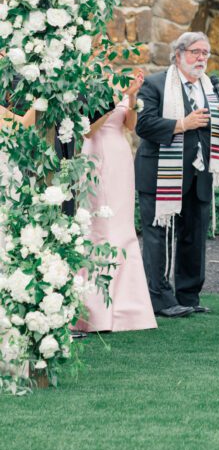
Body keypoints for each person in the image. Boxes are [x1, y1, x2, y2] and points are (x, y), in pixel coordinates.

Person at [135, 32, 219, 318]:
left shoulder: (212, 88)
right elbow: (143, 125)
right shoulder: (156, 84)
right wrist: (181, 124)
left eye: (205, 53)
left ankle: (189, 295)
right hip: (160, 174)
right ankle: (160, 299)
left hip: (199, 176)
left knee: (194, 237)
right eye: (196, 52)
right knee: (157, 237)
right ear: (179, 54)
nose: (201, 58)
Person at [77, 70, 156, 333]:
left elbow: (131, 126)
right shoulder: (90, 92)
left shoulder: (123, 92)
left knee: (122, 228)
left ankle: (127, 309)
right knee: (101, 227)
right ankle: (96, 312)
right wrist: (112, 98)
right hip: (96, 157)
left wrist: (131, 97)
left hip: (121, 157)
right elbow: (88, 131)